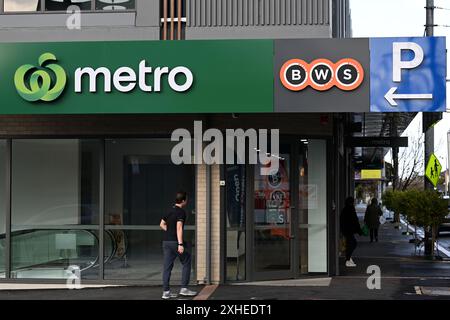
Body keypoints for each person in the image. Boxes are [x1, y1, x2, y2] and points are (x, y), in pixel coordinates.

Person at [160, 191, 197, 299]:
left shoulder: (169, 210)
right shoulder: (181, 212)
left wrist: (169, 231)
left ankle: (166, 292)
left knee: (167, 267)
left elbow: (161, 224)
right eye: (187, 199)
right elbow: (179, 228)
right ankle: (184, 289)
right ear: (183, 200)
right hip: (175, 242)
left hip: (166, 242)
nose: (187, 200)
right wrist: (180, 244)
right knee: (187, 260)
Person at [340, 197, 362, 267]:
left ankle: (348, 258)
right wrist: (359, 230)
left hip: (345, 230)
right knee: (352, 244)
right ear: (351, 202)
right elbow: (355, 220)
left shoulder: (345, 209)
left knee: (351, 243)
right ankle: (348, 259)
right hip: (349, 230)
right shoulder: (351, 209)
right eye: (353, 201)